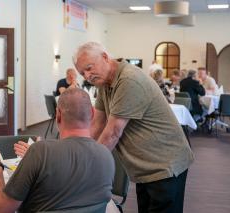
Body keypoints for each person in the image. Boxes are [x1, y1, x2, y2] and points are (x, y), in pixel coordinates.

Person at [73, 42, 194, 213]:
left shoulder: (128, 79)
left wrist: (88, 166)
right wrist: (77, 154)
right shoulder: (104, 84)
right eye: (82, 73)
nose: (87, 76)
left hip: (165, 165)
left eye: (89, 68)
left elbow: (112, 133)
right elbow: (97, 124)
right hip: (144, 167)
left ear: (105, 57)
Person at [0, 88, 115, 213]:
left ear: (58, 115)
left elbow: (0, 209)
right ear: (93, 113)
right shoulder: (106, 155)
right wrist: (36, 157)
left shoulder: (41, 152)